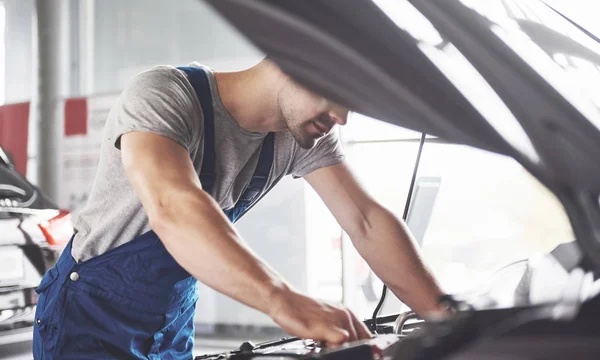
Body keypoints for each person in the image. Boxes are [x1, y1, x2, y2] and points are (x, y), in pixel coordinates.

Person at [32, 59, 445, 359]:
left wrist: (447, 319)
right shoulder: (164, 95)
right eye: (334, 96)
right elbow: (173, 206)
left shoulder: (300, 139)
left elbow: (367, 221)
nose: (341, 117)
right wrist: (283, 300)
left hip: (168, 322)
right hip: (88, 317)